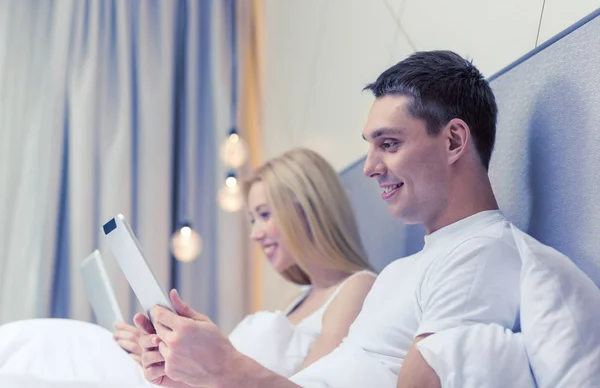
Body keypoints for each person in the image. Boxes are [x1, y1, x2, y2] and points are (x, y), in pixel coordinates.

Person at [136, 50, 521, 388]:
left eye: (388, 144)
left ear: (453, 141)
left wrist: (227, 368)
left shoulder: (478, 255)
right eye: (370, 147)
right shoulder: (403, 271)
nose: (370, 167)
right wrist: (200, 375)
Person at [115, 147, 376, 378]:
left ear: (309, 209)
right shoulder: (299, 301)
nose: (255, 234)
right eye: (253, 219)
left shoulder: (357, 287)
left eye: (264, 214)